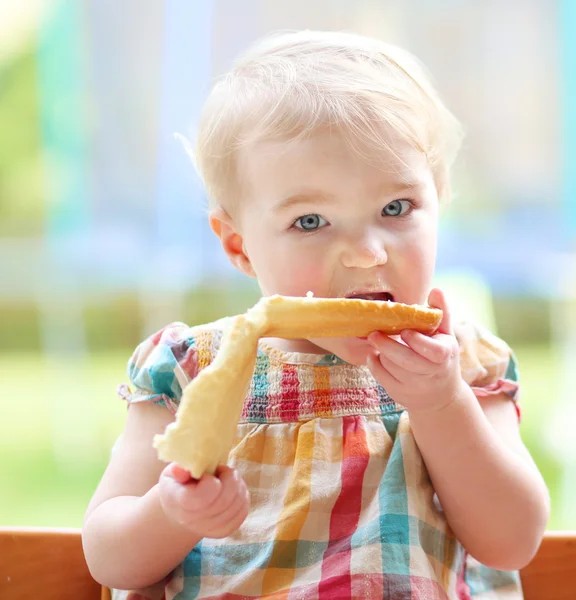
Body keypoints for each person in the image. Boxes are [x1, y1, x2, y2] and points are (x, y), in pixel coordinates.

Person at [82, 30, 550, 599]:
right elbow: (109, 557)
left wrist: (442, 403)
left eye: (395, 208)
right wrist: (174, 511)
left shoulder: (468, 366)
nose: (367, 253)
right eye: (310, 221)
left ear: (439, 200)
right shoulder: (189, 368)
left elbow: (511, 541)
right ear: (239, 245)